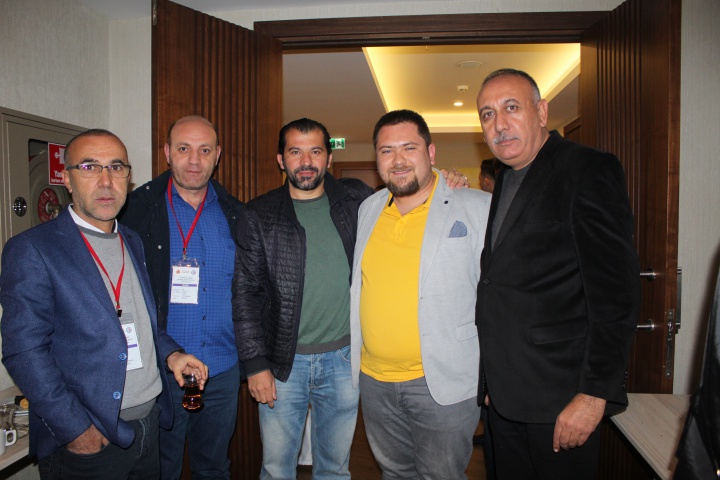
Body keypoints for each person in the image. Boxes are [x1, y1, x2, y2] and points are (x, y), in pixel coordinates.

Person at [233, 117, 468, 479]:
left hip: (344, 361)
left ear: (329, 158)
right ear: (281, 159)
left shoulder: (358, 201)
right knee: (277, 468)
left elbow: (413, 185)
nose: (306, 161)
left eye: (316, 151)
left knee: (335, 468)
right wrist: (254, 365)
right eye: (295, 152)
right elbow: (245, 293)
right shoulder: (258, 214)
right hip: (282, 365)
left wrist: (448, 179)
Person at [0, 129, 208, 480]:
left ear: (128, 177)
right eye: (90, 167)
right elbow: (24, 351)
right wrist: (77, 431)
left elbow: (140, 322)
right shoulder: (34, 249)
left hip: (149, 425)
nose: (106, 180)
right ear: (67, 178)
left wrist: (172, 355)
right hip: (92, 437)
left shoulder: (132, 240)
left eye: (116, 167)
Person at [475, 68, 640, 479]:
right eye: (488, 114)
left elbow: (615, 297)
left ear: (542, 112)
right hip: (506, 398)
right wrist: (491, 382)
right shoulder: (506, 177)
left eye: (511, 108)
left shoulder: (588, 170)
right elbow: (501, 284)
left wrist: (593, 395)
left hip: (561, 401)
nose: (499, 124)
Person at [350, 109, 491, 479]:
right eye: (386, 150)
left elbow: (500, 300)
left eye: (409, 148)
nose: (398, 160)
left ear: (430, 153)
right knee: (394, 473)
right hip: (375, 381)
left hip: (443, 381)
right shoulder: (368, 209)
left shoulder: (476, 207)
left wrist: (495, 374)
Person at [119, 116, 243, 479]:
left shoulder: (236, 214)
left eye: (204, 150)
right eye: (184, 148)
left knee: (214, 468)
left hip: (222, 370)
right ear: (167, 152)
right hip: (161, 374)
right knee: (160, 470)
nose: (194, 160)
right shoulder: (136, 211)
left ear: (217, 155)